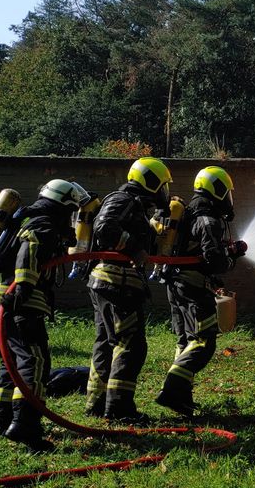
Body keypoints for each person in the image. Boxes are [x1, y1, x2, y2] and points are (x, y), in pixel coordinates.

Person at [0, 179, 90, 452]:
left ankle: (1, 420)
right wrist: (25, 286)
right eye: (72, 209)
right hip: (18, 302)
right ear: (64, 204)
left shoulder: (22, 217)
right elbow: (31, 247)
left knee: (10, 363)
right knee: (34, 362)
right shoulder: (43, 222)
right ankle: (26, 426)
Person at [85, 157, 172, 422]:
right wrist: (134, 248)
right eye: (162, 185)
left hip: (110, 281)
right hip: (117, 282)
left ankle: (97, 404)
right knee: (131, 344)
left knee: (106, 342)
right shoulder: (123, 200)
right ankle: (119, 408)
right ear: (150, 182)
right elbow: (104, 227)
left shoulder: (134, 205)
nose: (164, 192)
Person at [155, 166, 246, 416]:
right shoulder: (207, 220)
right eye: (225, 192)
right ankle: (172, 389)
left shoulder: (189, 214)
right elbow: (213, 259)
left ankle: (181, 398)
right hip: (192, 288)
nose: (228, 199)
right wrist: (232, 254)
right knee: (204, 341)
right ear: (217, 191)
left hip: (177, 285)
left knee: (186, 340)